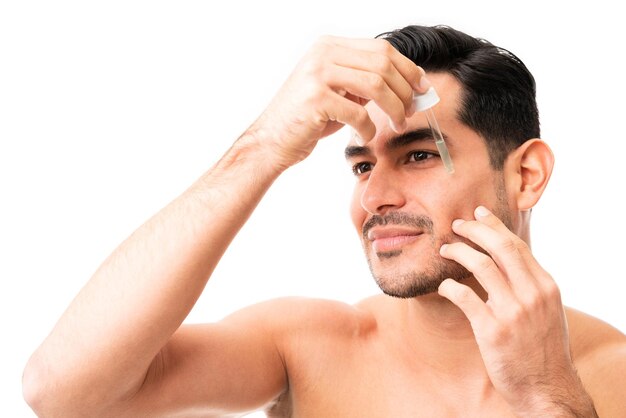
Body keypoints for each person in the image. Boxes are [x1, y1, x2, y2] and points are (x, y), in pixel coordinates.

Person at [23, 24, 625, 417]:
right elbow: (64, 394)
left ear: (525, 177)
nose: (375, 197)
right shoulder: (309, 347)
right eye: (362, 167)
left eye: (418, 155)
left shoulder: (612, 374)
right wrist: (264, 146)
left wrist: (549, 397)